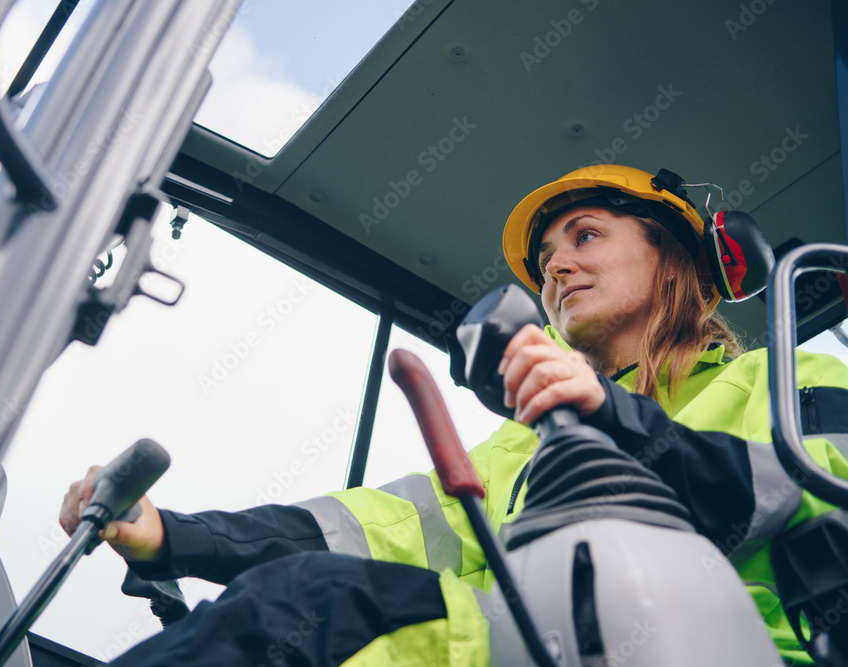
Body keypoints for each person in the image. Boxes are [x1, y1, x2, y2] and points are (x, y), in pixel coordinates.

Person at [59, 164, 848, 665]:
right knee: (291, 611)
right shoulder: (526, 446)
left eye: (586, 235)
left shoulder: (786, 378)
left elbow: (800, 497)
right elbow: (375, 528)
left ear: (675, 254)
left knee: (317, 608)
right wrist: (180, 537)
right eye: (546, 264)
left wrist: (613, 419)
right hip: (540, 640)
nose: (559, 267)